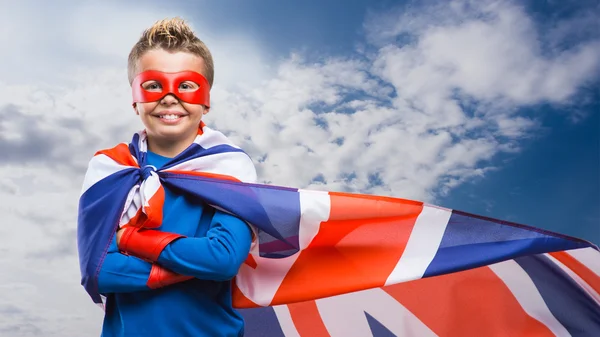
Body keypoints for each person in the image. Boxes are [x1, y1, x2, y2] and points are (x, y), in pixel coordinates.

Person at [94, 17, 254, 337]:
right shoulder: (110, 167)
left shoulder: (229, 166)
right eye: (153, 85)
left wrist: (128, 240)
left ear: (205, 100)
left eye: (186, 85)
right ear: (135, 98)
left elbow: (222, 260)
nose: (169, 97)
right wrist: (190, 265)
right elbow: (98, 271)